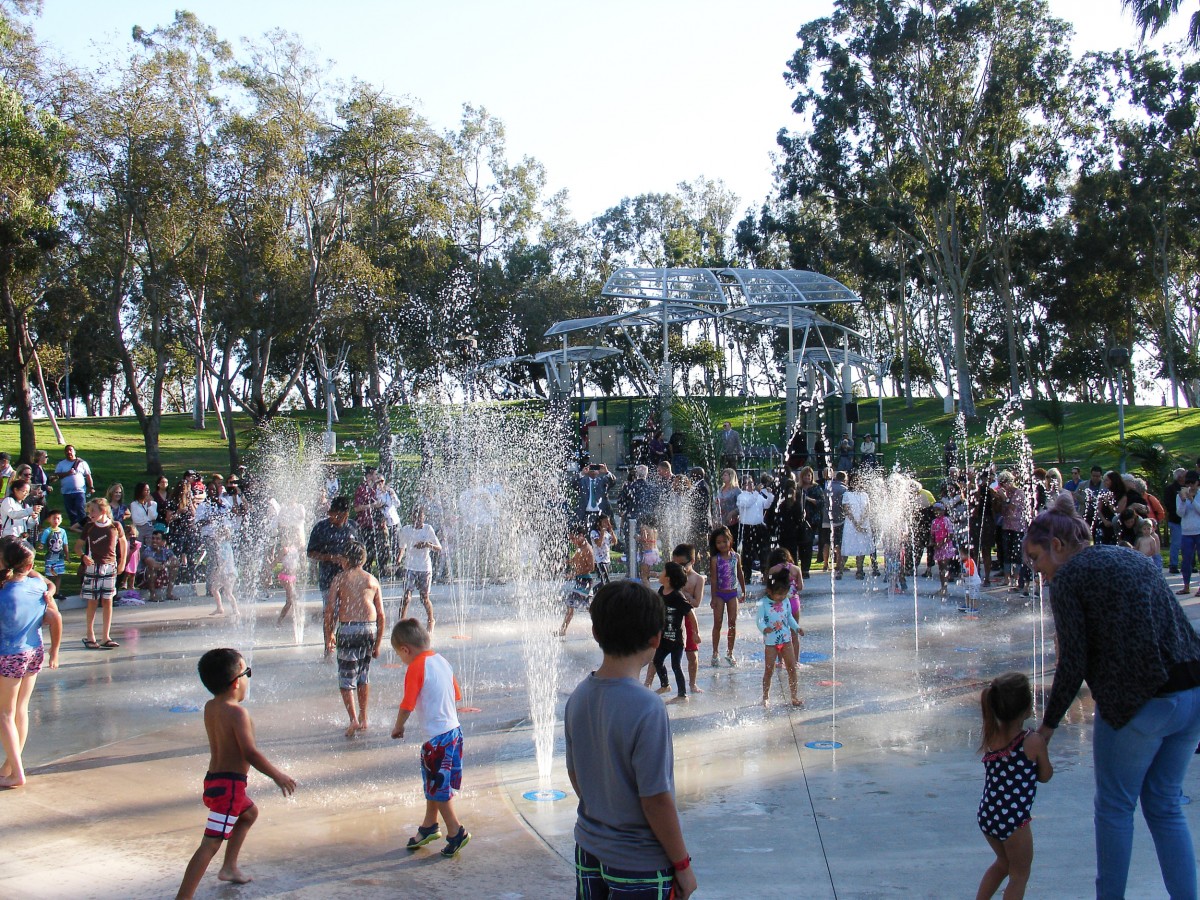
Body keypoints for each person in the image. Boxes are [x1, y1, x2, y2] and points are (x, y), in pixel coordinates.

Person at [1027, 494, 1200, 899]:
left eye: (1036, 558)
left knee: (1115, 808)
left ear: (1057, 546)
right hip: (1192, 691)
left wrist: (1045, 731)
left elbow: (1073, 664)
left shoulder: (1069, 579)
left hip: (1142, 703)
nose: (1036, 570)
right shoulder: (1132, 558)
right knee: (1164, 804)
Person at [564, 580, 697, 899]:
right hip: (640, 863)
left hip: (589, 847)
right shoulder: (648, 707)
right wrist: (682, 864)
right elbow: (656, 799)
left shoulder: (579, 696)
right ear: (656, 638)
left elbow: (576, 775)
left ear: (596, 633)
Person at [176, 648, 297, 899]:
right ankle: (183, 897)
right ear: (235, 683)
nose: (248, 679)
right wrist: (277, 775)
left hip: (216, 782)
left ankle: (229, 868)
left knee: (249, 813)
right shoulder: (237, 713)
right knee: (210, 844)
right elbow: (250, 753)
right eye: (247, 673)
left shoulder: (212, 706)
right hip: (230, 788)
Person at [390, 618, 471, 859]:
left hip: (437, 740)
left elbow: (407, 703)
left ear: (405, 649)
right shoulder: (442, 661)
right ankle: (429, 826)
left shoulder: (416, 666)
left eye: (399, 655)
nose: (401, 659)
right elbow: (456, 694)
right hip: (454, 733)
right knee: (434, 785)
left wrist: (398, 727)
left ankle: (456, 831)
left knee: (440, 789)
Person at [975, 672, 1053, 900]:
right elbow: (1045, 775)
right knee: (1019, 875)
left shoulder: (991, 735)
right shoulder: (1032, 741)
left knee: (1002, 863)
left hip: (988, 815)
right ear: (1026, 708)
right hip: (1013, 819)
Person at [0, 537, 62, 787]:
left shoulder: (4, 592)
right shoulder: (38, 587)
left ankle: (17, 773)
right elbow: (55, 616)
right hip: (34, 651)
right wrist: (55, 651)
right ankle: (8, 767)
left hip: (9, 655)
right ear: (28, 565)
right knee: (20, 710)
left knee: (5, 714)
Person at [324, 543, 384, 738]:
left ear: (346, 560)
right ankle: (364, 717)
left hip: (349, 629)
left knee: (346, 676)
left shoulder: (340, 579)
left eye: (341, 559)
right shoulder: (372, 580)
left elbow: (330, 610)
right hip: (369, 629)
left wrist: (329, 635)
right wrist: (378, 643)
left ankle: (353, 720)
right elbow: (381, 615)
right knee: (363, 675)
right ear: (364, 560)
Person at [75, 498, 127, 650]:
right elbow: (78, 546)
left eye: (93, 511)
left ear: (103, 511)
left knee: (108, 601)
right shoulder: (89, 527)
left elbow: (123, 543)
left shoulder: (115, 526)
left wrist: (122, 562)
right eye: (89, 511)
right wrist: (83, 556)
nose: (90, 514)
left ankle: (106, 636)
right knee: (92, 601)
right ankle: (90, 635)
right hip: (93, 566)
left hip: (110, 566)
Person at [307, 497, 362, 621]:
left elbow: (361, 551)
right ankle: (329, 638)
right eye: (333, 515)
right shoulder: (321, 528)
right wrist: (330, 557)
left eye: (340, 516)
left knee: (349, 613)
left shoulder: (353, 526)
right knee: (330, 613)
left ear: (346, 514)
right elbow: (310, 553)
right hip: (328, 578)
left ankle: (345, 638)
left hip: (350, 579)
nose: (334, 518)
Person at [757, 566, 803, 708]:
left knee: (791, 668)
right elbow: (759, 620)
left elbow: (789, 617)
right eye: (779, 594)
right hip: (771, 642)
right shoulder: (763, 603)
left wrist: (796, 628)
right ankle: (765, 696)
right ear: (770, 591)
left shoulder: (785, 601)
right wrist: (765, 628)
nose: (782, 597)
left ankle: (794, 696)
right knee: (769, 669)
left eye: (784, 594)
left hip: (786, 640)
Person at [649, 562, 692, 704]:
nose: (660, 573)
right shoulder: (661, 590)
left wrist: (696, 633)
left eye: (662, 571)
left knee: (676, 666)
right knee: (657, 660)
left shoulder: (677, 596)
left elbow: (690, 613)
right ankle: (665, 685)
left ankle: (682, 695)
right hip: (664, 638)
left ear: (668, 578)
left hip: (676, 641)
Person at [395, 506, 442, 632]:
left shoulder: (428, 529)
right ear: (411, 518)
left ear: (424, 518)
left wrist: (427, 544)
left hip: (424, 567)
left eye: (420, 518)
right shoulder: (405, 530)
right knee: (406, 597)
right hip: (409, 566)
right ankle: (401, 624)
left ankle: (431, 620)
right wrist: (399, 560)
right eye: (415, 518)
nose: (418, 521)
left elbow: (439, 548)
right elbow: (402, 547)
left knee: (424, 597)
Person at [708, 524, 745, 668]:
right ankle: (715, 652)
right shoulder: (715, 559)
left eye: (725, 541)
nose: (722, 545)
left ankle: (730, 652)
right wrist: (713, 597)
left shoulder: (736, 557)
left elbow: (740, 573)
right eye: (718, 542)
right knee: (717, 622)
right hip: (719, 594)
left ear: (730, 541)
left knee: (732, 623)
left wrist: (743, 589)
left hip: (732, 594)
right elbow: (714, 579)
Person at [671, 544, 705, 695]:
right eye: (675, 564)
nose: (679, 568)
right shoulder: (672, 576)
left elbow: (697, 603)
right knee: (658, 652)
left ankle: (692, 683)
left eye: (682, 564)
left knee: (691, 654)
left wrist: (684, 593)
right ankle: (649, 682)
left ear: (692, 561)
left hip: (688, 618)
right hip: (673, 617)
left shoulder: (698, 579)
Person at [558, 525, 596, 637]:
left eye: (573, 539)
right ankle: (604, 626)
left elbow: (592, 567)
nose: (572, 541)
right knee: (589, 608)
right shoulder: (579, 547)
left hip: (585, 581)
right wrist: (563, 563)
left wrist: (574, 574)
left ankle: (562, 630)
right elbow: (574, 560)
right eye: (570, 539)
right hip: (581, 580)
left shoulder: (587, 549)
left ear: (581, 536)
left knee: (571, 604)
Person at [839, 474, 877, 579]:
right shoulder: (847, 494)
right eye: (854, 481)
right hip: (851, 524)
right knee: (847, 546)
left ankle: (859, 570)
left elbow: (867, 509)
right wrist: (856, 523)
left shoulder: (864, 495)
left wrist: (861, 522)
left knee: (861, 547)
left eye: (858, 481)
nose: (856, 483)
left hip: (863, 523)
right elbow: (846, 510)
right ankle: (840, 570)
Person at [53, 445, 92, 529]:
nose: (69, 452)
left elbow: (88, 476)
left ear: (74, 452)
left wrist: (91, 487)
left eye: (70, 450)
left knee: (80, 508)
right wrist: (67, 473)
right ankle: (74, 525)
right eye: (67, 451)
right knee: (70, 510)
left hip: (80, 491)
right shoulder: (61, 464)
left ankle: (83, 525)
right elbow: (56, 475)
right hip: (66, 491)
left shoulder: (82, 463)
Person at [1177, 471, 1200, 596]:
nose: (1190, 486)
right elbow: (1180, 513)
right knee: (1186, 560)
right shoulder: (1180, 496)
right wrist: (1183, 501)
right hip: (1186, 532)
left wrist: (1192, 500)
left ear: (1197, 482)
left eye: (1193, 483)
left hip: (1199, 531)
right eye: (1188, 483)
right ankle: (1186, 586)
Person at [37, 508, 69, 595]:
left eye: (58, 518)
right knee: (50, 575)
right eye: (54, 518)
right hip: (50, 557)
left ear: (61, 520)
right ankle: (49, 592)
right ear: (49, 519)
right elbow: (42, 542)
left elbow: (65, 544)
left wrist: (67, 555)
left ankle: (57, 592)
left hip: (60, 557)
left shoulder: (63, 531)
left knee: (59, 575)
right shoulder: (47, 531)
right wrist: (41, 545)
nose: (56, 520)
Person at [143, 528, 180, 602]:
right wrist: (166, 564)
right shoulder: (148, 550)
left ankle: (169, 593)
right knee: (151, 569)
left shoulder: (166, 551)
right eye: (153, 538)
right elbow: (152, 565)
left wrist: (164, 565)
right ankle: (152, 595)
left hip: (161, 576)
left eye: (157, 539)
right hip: (145, 580)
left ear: (163, 542)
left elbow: (176, 561)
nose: (154, 541)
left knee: (175, 568)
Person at [1165, 468, 1187, 574]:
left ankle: (1188, 563)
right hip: (1176, 520)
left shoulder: (1188, 487)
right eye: (1184, 475)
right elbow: (1169, 504)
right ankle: (1173, 564)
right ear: (1179, 477)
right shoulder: (1171, 489)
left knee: (1187, 544)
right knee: (1176, 543)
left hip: (1187, 520)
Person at [590, 513, 615, 585]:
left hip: (607, 559)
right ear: (599, 523)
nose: (608, 524)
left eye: (608, 522)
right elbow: (599, 544)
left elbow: (614, 541)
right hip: (599, 560)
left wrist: (611, 530)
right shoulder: (594, 533)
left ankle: (593, 592)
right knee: (606, 580)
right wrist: (602, 533)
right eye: (605, 522)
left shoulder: (607, 533)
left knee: (604, 581)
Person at [959, 547, 981, 614]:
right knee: (967, 594)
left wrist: (963, 575)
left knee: (973, 596)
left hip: (974, 582)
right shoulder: (965, 562)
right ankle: (967, 605)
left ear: (967, 555)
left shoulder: (969, 562)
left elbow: (970, 573)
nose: (960, 556)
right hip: (969, 583)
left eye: (961, 554)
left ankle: (974, 608)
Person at [121, 523, 142, 592]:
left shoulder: (137, 543)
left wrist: (138, 559)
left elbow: (138, 552)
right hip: (128, 559)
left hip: (134, 560)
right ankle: (124, 583)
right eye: (130, 534)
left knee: (133, 573)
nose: (132, 536)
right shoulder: (125, 543)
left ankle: (131, 585)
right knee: (127, 572)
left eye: (133, 534)